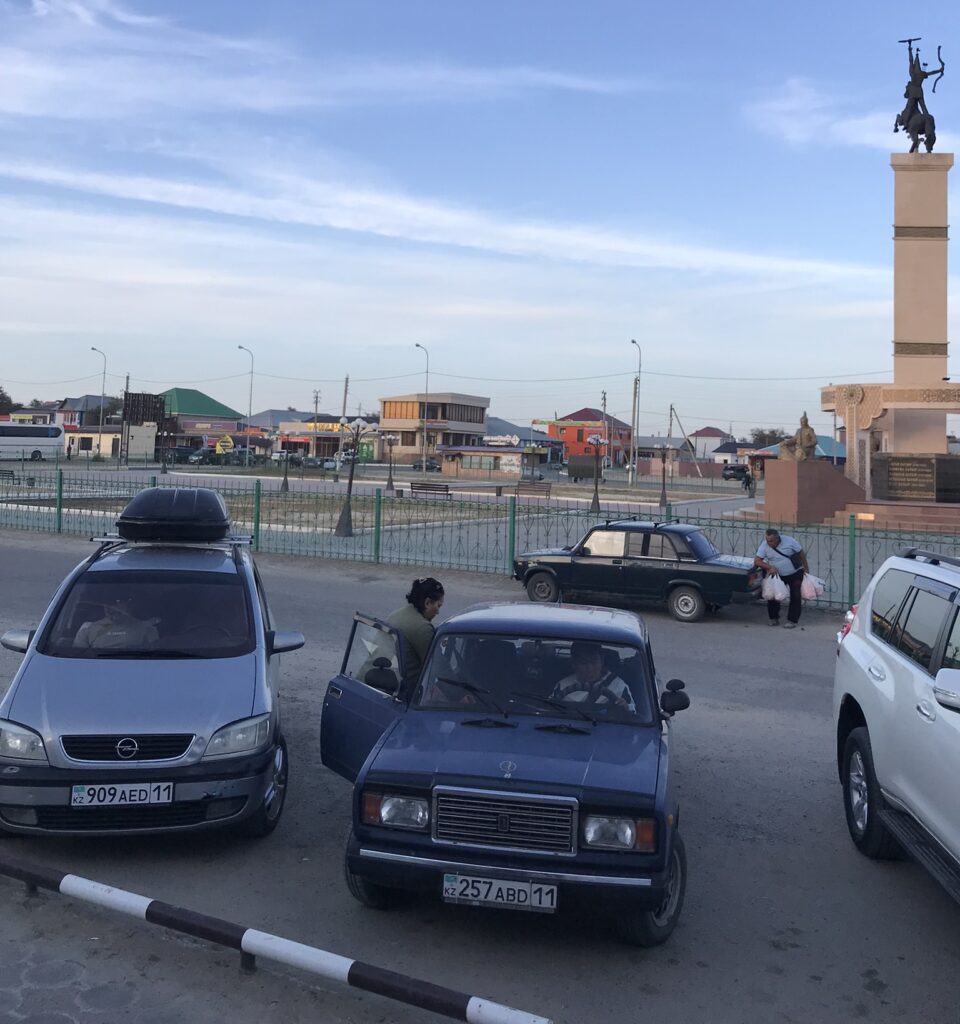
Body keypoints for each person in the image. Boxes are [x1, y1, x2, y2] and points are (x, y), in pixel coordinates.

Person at [387, 576, 445, 688]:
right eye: (438, 605)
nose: (438, 612)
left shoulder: (395, 615)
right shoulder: (422, 628)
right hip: (400, 691)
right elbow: (439, 668)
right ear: (427, 603)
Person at [551, 641, 635, 711]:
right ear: (573, 663)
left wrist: (625, 707)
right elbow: (549, 710)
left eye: (594, 661)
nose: (590, 668)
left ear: (602, 661)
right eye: (584, 662)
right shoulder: (562, 686)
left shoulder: (619, 687)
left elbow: (634, 716)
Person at [754, 528, 809, 629]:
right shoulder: (764, 545)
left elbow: (801, 553)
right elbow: (757, 561)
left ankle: (792, 620)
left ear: (778, 539)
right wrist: (769, 567)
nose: (769, 543)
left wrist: (806, 569)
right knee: (773, 596)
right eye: (767, 540)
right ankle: (773, 618)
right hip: (777, 575)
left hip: (795, 573)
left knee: (796, 595)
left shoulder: (790, 541)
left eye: (771, 541)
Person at [73, 595, 159, 650]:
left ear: (129, 604)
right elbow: (76, 658)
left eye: (116, 602)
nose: (109, 607)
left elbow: (155, 657)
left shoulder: (146, 628)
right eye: (106, 603)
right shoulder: (87, 628)